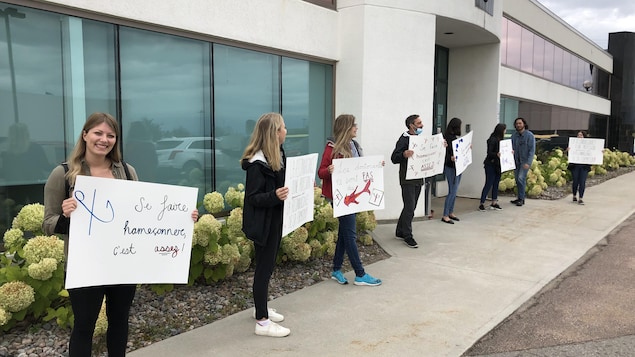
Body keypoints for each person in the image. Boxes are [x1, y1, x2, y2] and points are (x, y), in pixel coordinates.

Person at [42, 112, 198, 356]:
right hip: (85, 265)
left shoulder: (126, 171)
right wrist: (65, 217)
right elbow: (48, 223)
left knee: (119, 321)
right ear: (85, 135)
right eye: (98, 133)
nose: (104, 139)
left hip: (122, 262)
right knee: (84, 326)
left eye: (110, 135)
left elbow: (144, 213)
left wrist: (181, 216)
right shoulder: (62, 174)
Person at [241, 112, 291, 338]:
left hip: (274, 220)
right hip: (263, 224)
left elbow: (280, 186)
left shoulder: (277, 155)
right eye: (283, 127)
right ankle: (262, 321)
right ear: (275, 133)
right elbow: (252, 198)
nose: (286, 131)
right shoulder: (257, 164)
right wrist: (275, 195)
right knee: (263, 269)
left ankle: (260, 307)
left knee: (267, 267)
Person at [318, 114, 382, 286]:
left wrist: (376, 167)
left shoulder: (354, 146)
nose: (356, 127)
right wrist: (329, 170)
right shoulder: (331, 148)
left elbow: (361, 169)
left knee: (344, 234)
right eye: (354, 125)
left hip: (352, 195)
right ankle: (360, 274)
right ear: (346, 127)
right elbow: (321, 172)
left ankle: (336, 269)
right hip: (340, 198)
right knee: (350, 234)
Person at [390, 114, 424, 248]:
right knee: (410, 207)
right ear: (412, 125)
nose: (422, 125)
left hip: (418, 178)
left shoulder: (420, 139)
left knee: (411, 206)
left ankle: (400, 230)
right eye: (419, 123)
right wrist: (404, 155)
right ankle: (408, 236)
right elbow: (394, 157)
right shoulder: (404, 139)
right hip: (407, 179)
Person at [478, 123, 507, 211]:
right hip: (490, 164)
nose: (505, 131)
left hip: (498, 165)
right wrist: (496, 154)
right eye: (504, 130)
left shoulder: (501, 140)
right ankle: (482, 203)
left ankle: (494, 202)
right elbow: (489, 152)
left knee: (496, 183)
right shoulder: (492, 139)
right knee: (489, 183)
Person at [441, 117, 463, 224]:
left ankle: (451, 211)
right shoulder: (448, 138)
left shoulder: (453, 137)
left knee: (455, 190)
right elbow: (445, 152)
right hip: (451, 166)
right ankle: (445, 214)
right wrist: (450, 157)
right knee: (452, 190)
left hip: (457, 166)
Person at [510, 117, 535, 207]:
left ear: (524, 124)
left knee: (521, 178)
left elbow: (532, 150)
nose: (518, 125)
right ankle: (519, 197)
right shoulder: (514, 136)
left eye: (520, 123)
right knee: (517, 179)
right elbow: (510, 147)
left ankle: (522, 198)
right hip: (516, 161)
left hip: (524, 162)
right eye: (517, 123)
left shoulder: (530, 136)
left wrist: (528, 162)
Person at [567, 130, 592, 205]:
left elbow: (593, 153)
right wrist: (568, 151)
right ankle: (574, 195)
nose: (579, 136)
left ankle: (581, 198)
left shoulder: (588, 146)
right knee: (575, 181)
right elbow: (569, 156)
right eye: (578, 135)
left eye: (581, 135)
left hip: (584, 166)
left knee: (582, 182)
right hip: (575, 166)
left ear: (584, 136)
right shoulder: (573, 144)